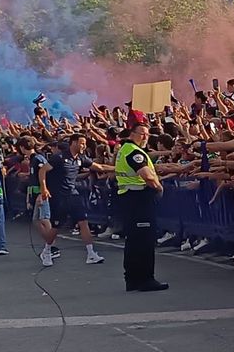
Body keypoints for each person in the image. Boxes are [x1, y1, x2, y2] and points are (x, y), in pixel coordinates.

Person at [40, 133, 113, 265]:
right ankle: (46, 251)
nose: (84, 146)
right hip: (59, 197)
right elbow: (43, 170)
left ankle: (91, 254)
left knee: (83, 221)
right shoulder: (59, 157)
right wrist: (44, 188)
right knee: (57, 226)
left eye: (85, 144)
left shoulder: (81, 158)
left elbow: (100, 167)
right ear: (73, 143)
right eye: (81, 143)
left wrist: (119, 169)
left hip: (73, 194)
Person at [116, 123, 168, 291]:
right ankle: (145, 279)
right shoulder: (134, 152)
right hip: (139, 199)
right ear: (132, 134)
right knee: (144, 241)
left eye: (147, 134)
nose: (145, 137)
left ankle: (132, 279)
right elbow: (147, 176)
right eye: (142, 134)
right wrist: (159, 187)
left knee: (133, 240)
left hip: (129, 199)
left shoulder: (125, 149)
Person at [20, 136, 60, 266]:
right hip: (34, 193)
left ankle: (53, 247)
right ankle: (49, 242)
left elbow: (45, 176)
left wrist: (41, 192)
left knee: (44, 218)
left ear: (22, 147)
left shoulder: (38, 159)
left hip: (41, 193)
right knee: (36, 220)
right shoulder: (32, 160)